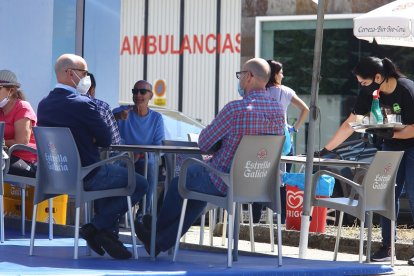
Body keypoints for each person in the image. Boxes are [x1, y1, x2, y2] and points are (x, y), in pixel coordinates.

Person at [134, 57, 285, 256]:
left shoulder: (235, 109)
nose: (239, 80)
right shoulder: (278, 111)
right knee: (195, 192)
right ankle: (158, 240)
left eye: (240, 75)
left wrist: (222, 142)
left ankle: (155, 232)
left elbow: (204, 143)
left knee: (181, 181)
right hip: (259, 183)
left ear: (249, 77)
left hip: (224, 180)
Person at [37, 53, 148, 260]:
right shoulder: (83, 104)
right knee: (139, 183)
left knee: (115, 178)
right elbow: (106, 139)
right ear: (70, 73)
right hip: (88, 175)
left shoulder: (44, 104)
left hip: (56, 176)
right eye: (84, 72)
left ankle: (105, 233)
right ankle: (96, 227)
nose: (86, 77)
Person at [317, 56, 414, 265]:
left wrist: (389, 135)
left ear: (378, 77)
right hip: (391, 145)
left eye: (364, 82)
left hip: (412, 144)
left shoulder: (407, 90)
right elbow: (351, 123)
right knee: (387, 196)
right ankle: (388, 247)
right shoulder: (369, 92)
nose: (362, 87)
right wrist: (325, 150)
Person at [252, 60, 310, 223]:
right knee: (283, 181)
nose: (283, 75)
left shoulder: (259, 91)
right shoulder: (286, 91)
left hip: (263, 140)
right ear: (275, 74)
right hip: (283, 140)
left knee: (260, 178)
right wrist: (295, 128)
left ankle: (255, 220)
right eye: (281, 72)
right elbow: (305, 109)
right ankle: (283, 219)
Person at [116, 80, 165, 223]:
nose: (138, 95)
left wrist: (139, 154)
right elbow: (109, 135)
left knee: (150, 164)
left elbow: (159, 147)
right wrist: (131, 155)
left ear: (151, 95)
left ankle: (143, 214)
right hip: (124, 160)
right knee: (117, 163)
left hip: (144, 160)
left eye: (142, 92)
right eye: (135, 91)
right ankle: (116, 212)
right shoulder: (121, 113)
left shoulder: (156, 118)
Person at [0, 70, 37, 178]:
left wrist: (2, 143)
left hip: (27, 161)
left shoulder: (22, 107)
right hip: (6, 157)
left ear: (10, 91)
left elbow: (21, 142)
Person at [86, 73, 122, 145]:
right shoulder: (102, 107)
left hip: (69, 154)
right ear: (92, 89)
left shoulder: (65, 105)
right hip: (100, 155)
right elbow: (115, 141)